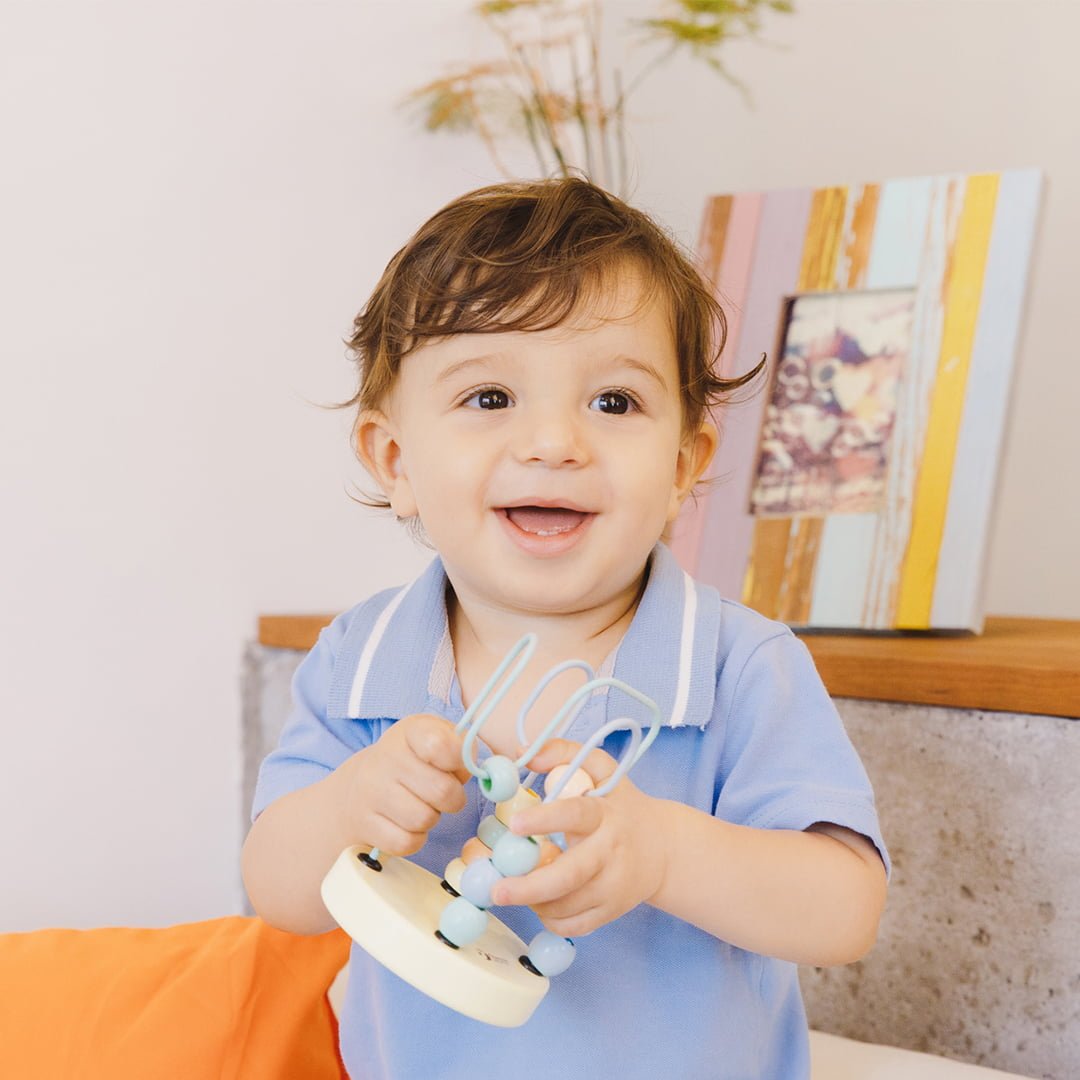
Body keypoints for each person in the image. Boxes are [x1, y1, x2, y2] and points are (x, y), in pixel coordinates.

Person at [241, 177, 889, 1079]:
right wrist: (348, 809)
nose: (553, 442)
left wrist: (666, 854)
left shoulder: (741, 667)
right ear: (395, 460)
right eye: (490, 398)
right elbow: (275, 888)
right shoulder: (363, 659)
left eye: (614, 403)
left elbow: (844, 909)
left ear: (683, 464)